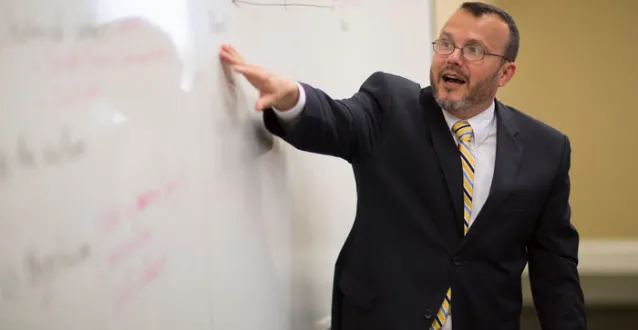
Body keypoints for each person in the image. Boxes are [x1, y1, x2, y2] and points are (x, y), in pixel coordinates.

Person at [219, 2, 587, 329]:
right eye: (445, 43)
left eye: (474, 50)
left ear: (505, 73)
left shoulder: (547, 149)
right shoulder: (391, 105)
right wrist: (294, 99)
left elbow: (555, 271)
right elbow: (340, 120)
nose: (453, 57)